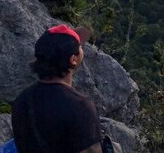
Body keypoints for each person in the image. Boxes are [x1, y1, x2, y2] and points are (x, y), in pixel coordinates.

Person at [11, 25, 103, 153]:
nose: (82, 49)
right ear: (73, 59)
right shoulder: (80, 106)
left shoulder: (22, 100)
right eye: (80, 47)